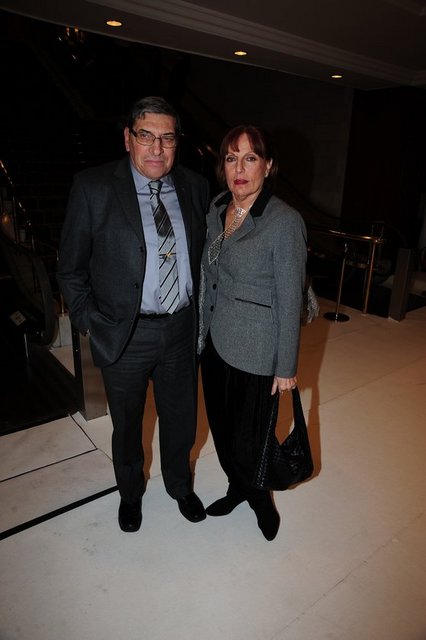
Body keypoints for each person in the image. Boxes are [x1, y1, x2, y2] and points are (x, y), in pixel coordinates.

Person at [58, 96, 210, 532]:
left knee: (181, 417)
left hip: (180, 328)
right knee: (127, 425)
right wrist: (91, 321)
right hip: (124, 333)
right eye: (146, 136)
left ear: (177, 142)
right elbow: (70, 269)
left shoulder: (195, 187)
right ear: (128, 138)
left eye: (167, 138)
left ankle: (179, 485)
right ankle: (131, 493)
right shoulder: (93, 187)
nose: (157, 148)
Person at [198, 125, 307, 541]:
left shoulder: (283, 221)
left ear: (268, 165)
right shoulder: (217, 207)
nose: (239, 169)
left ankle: (260, 498)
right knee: (222, 428)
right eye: (231, 158)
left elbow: (290, 299)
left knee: (252, 437)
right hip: (215, 341)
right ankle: (237, 487)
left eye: (250, 158)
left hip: (258, 348)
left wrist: (286, 366)